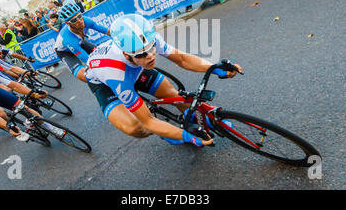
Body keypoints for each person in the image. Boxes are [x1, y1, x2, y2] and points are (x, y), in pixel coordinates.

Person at [84, 14, 242, 147]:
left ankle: (206, 122)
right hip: (104, 83)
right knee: (138, 127)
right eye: (142, 54)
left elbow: (182, 59)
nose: (151, 56)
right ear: (127, 55)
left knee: (173, 95)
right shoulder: (116, 75)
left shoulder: (147, 39)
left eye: (152, 49)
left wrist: (214, 68)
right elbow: (149, 121)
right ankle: (166, 132)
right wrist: (187, 136)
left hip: (135, 68)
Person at [0, 58, 65, 141]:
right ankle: (14, 127)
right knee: (1, 113)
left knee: (24, 107)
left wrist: (34, 93)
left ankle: (50, 128)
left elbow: (14, 85)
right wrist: (8, 127)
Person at [54, 3, 110, 83]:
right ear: (67, 23)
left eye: (79, 16)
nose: (79, 21)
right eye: (74, 20)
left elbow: (107, 31)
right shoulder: (67, 39)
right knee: (84, 75)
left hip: (80, 42)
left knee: (102, 55)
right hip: (65, 52)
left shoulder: (86, 20)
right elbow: (88, 61)